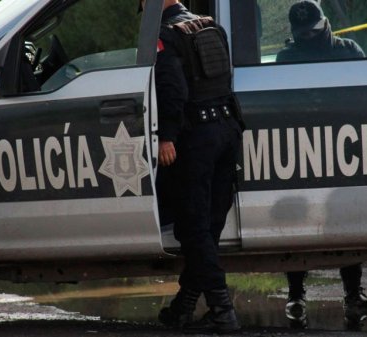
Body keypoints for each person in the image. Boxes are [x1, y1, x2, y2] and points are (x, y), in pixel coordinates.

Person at [140, 0, 244, 333]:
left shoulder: (164, 34)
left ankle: (222, 311)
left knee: (194, 227)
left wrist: (166, 136)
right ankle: (183, 306)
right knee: (208, 226)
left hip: (196, 138)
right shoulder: (210, 24)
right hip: (227, 131)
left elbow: (172, 89)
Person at [276, 0, 367, 326]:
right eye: (302, 33)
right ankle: (295, 296)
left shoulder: (349, 50)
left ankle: (353, 295)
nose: (309, 37)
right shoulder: (287, 58)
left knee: (345, 222)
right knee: (296, 225)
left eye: (313, 31)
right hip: (302, 151)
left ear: (325, 24)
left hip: (343, 150)